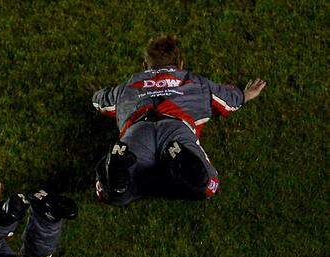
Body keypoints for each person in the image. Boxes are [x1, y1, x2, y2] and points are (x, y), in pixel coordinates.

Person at [93, 34, 267, 204]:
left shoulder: (129, 85)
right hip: (176, 131)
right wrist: (244, 95)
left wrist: (98, 95)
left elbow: (100, 101)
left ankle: (116, 177)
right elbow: (229, 100)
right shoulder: (197, 83)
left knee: (109, 192)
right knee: (208, 186)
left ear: (145, 65)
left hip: (138, 131)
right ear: (181, 64)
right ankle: (181, 163)